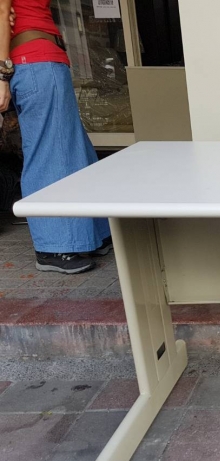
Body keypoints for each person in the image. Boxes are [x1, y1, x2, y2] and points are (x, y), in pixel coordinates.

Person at [0, 0, 111, 274]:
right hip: (33, 62)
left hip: (42, 60)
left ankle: (92, 234)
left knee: (75, 151)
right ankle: (53, 246)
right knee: (50, 153)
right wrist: (1, 74)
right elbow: (2, 11)